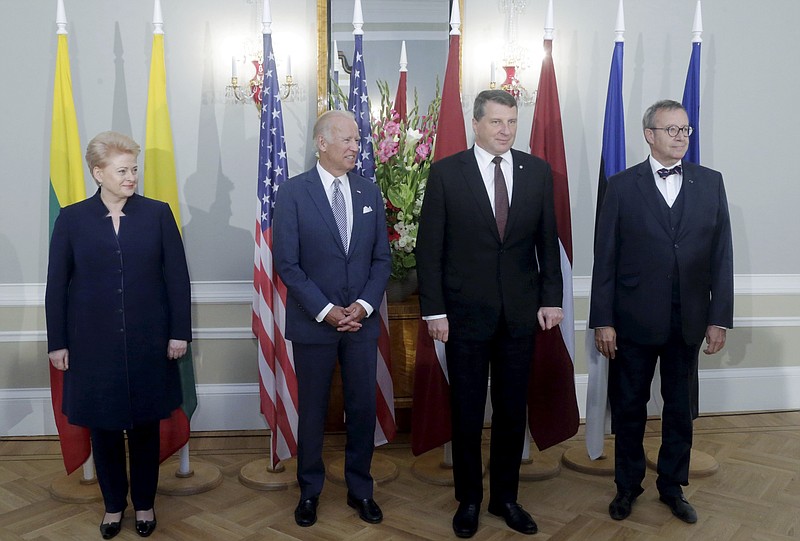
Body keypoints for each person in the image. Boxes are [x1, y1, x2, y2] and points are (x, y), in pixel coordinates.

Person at [416, 89, 564, 538]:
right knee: (465, 412)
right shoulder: (446, 174)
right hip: (463, 316)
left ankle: (505, 498)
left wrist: (552, 298)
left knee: (511, 411)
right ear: (477, 124)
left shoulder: (537, 172)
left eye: (512, 122)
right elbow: (430, 250)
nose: (506, 131)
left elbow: (547, 243)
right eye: (497, 122)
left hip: (520, 316)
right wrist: (434, 311)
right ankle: (469, 500)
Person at [590, 99, 733, 524]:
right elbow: (606, 259)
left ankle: (672, 486)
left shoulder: (711, 183)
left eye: (685, 130)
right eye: (672, 130)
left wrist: (718, 317)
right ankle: (626, 486)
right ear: (649, 134)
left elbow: (722, 255)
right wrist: (603, 319)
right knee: (630, 408)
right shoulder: (620, 185)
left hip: (688, 321)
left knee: (679, 411)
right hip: (632, 322)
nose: (681, 137)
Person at [46, 131, 191, 539]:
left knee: (145, 428)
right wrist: (57, 341)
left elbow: (177, 279)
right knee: (105, 430)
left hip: (150, 342)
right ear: (98, 173)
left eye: (134, 168)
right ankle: (113, 507)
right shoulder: (72, 219)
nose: (131, 177)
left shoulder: (158, 214)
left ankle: (144, 504)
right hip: (92, 346)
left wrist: (179, 333)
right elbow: (56, 284)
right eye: (122, 170)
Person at [272, 110, 391, 528]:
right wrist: (326, 311)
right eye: (347, 140)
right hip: (313, 323)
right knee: (313, 411)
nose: (356, 148)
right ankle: (310, 492)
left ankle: (361, 489)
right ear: (321, 143)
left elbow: (381, 259)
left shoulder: (369, 193)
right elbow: (287, 264)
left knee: (361, 408)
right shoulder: (292, 193)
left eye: (358, 141)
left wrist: (363, 305)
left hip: (362, 323)